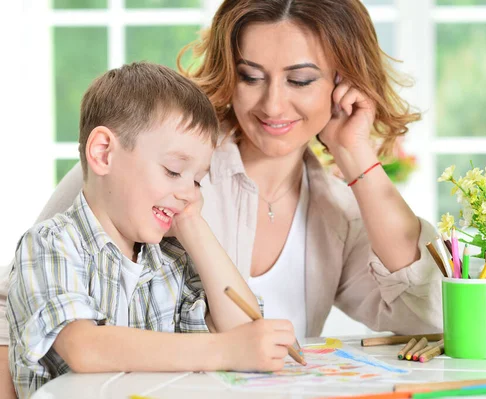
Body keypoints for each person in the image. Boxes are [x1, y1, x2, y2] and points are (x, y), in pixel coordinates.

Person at [1, 0, 444, 394]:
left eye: (301, 80)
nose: (272, 105)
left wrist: (356, 154)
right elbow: (13, 312)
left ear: (342, 83)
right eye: (251, 76)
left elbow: (425, 314)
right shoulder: (145, 166)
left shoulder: (337, 212)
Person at [6, 62, 296, 398]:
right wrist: (224, 350)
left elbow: (244, 331)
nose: (189, 192)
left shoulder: (169, 260)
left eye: (198, 180)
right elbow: (84, 347)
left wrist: (194, 227)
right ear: (103, 153)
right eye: (174, 171)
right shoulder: (50, 245)